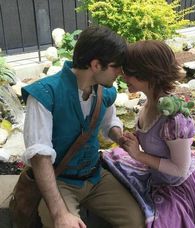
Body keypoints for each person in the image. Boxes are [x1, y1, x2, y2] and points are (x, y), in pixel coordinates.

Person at [21, 26, 145, 228]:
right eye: (117, 66)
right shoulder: (44, 95)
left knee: (138, 221)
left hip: (96, 177)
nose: (121, 72)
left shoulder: (105, 92)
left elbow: (109, 124)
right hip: (59, 181)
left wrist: (120, 138)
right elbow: (40, 157)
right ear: (96, 65)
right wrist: (60, 214)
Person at [102, 40, 195, 228]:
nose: (123, 76)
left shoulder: (173, 119)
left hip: (178, 186)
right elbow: (153, 139)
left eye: (128, 73)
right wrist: (136, 139)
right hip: (157, 175)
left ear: (149, 74)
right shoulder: (149, 104)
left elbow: (180, 170)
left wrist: (139, 154)